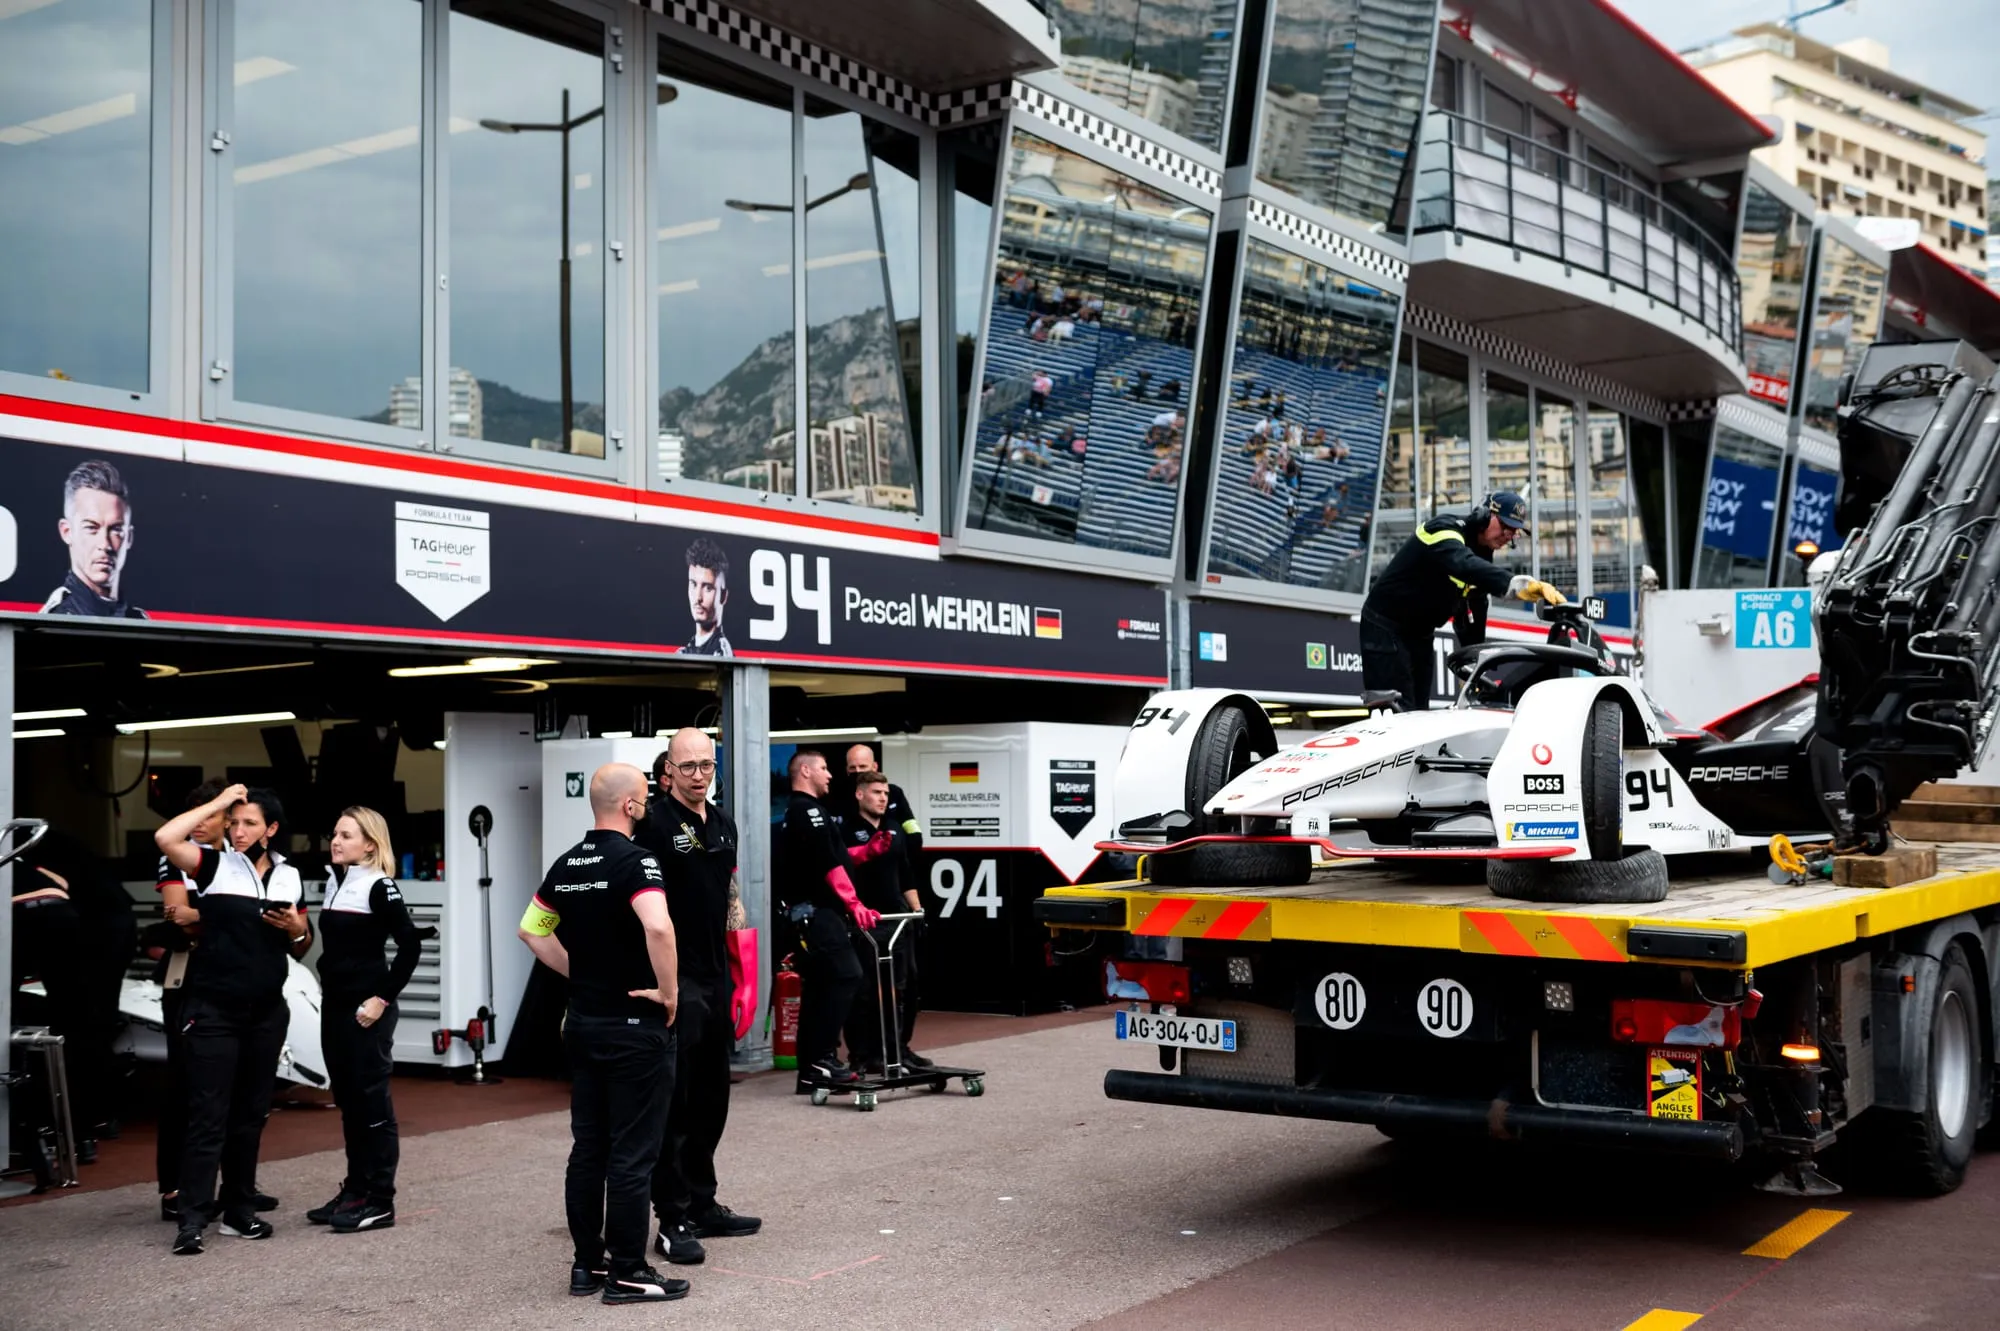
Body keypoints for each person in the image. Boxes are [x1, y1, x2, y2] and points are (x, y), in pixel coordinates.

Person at [517, 763, 686, 1305]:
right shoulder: (637, 862)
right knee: (632, 1155)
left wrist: (581, 973)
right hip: (635, 1027)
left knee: (588, 1149)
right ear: (632, 806)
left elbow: (532, 929)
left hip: (584, 1023)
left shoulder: (567, 864)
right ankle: (631, 1271)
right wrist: (669, 992)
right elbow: (658, 925)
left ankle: (587, 1265)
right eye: (646, 798)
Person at [154, 785, 310, 1255]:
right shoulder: (216, 865)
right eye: (234, 822)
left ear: (272, 829)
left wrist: (300, 930)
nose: (238, 831)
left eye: (249, 823)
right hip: (214, 1008)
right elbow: (166, 837)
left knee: (250, 1115)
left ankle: (240, 1211)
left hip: (266, 1011)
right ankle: (192, 1218)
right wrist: (220, 801)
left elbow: (299, 943)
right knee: (208, 1114)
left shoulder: (289, 875)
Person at [635, 731, 761, 1268]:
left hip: (716, 974)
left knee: (714, 1096)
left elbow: (729, 893)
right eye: (687, 766)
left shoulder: (723, 821)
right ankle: (674, 1215)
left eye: (706, 764)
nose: (698, 774)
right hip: (676, 978)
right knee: (677, 1101)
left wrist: (745, 969)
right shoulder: (654, 824)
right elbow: (638, 902)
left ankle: (704, 1202)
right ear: (668, 768)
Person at [307, 806, 422, 1234]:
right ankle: (355, 1189)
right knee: (349, 1101)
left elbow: (410, 947)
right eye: (334, 833)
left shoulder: (379, 886)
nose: (336, 841)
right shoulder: (337, 883)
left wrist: (381, 999)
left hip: (366, 1011)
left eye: (347, 835)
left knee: (372, 1103)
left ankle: (380, 1200)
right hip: (335, 1006)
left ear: (369, 844)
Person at [1358, 492, 1564, 711]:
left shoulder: (1482, 554)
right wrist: (1516, 585)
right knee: (1395, 712)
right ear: (1484, 515)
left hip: (1420, 635)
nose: (1508, 535)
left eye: (1514, 531)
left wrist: (1473, 665)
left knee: (1417, 715)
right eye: (1505, 525)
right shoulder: (1443, 529)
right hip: (1385, 627)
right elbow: (1462, 564)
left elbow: (1474, 607)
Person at [780, 750, 883, 1093]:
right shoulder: (806, 810)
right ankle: (822, 1059)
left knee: (822, 987)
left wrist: (868, 852)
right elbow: (826, 862)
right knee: (846, 975)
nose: (830, 775)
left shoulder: (809, 813)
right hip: (815, 913)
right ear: (806, 771)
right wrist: (854, 903)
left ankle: (811, 1072)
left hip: (813, 913)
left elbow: (836, 855)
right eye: (825, 768)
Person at [151, 779, 230, 1222]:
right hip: (185, 978)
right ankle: (173, 1188)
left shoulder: (240, 860)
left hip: (231, 976)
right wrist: (228, 916)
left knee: (227, 1086)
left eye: (209, 816)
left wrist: (206, 915)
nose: (199, 825)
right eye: (194, 815)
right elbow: (179, 919)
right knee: (183, 1083)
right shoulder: (175, 859)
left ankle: (234, 1185)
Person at [840, 772, 928, 1074]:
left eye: (886, 794)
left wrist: (916, 910)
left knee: (899, 989)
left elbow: (905, 872)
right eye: (876, 792)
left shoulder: (894, 829)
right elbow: (839, 872)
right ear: (860, 794)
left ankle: (896, 1050)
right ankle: (862, 1055)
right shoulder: (846, 829)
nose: (882, 798)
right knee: (865, 991)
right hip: (864, 922)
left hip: (897, 920)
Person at [42, 459, 146, 618]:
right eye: (91, 528)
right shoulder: (54, 621)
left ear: (129, 537)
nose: (104, 544)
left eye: (115, 530)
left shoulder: (139, 621)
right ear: (67, 532)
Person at [683, 538, 733, 657]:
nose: (698, 597)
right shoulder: (685, 651)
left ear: (724, 596)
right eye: (694, 584)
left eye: (708, 588)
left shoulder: (722, 655)